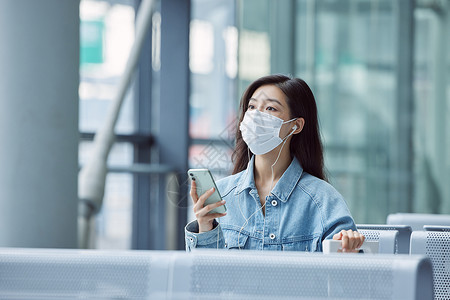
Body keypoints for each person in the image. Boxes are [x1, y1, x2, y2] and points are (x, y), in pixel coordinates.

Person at [185, 74, 364, 252]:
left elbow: (346, 272)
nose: (256, 116)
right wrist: (205, 226)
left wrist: (349, 248)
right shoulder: (221, 196)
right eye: (252, 106)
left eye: (270, 108)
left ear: (296, 126)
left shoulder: (323, 200)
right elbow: (203, 276)